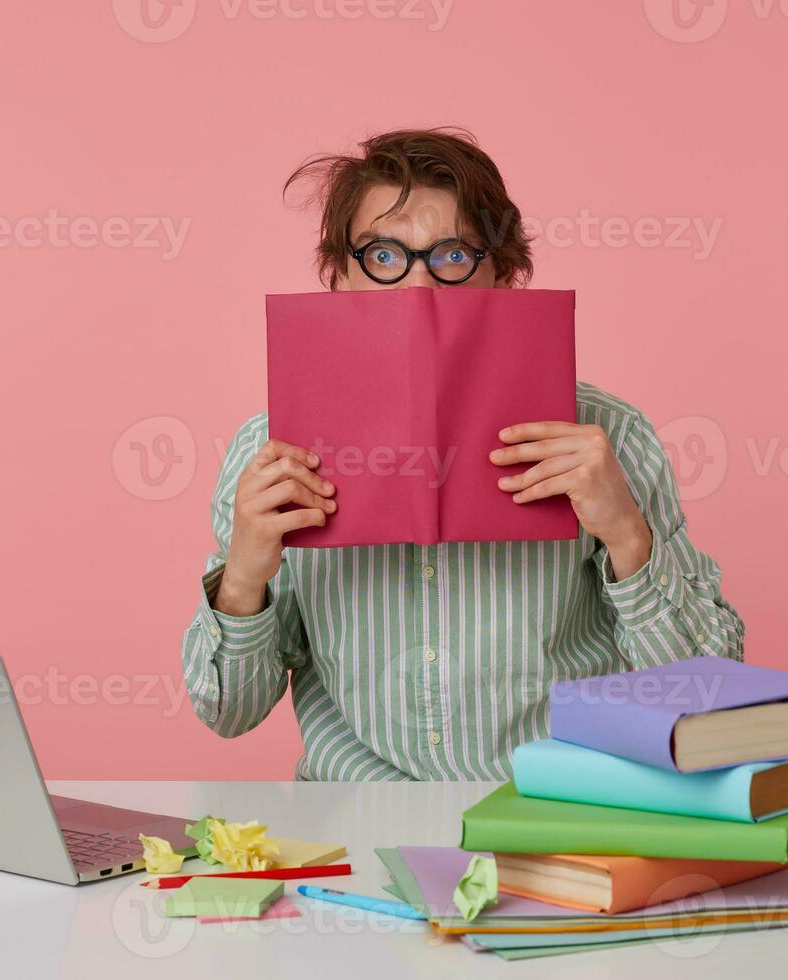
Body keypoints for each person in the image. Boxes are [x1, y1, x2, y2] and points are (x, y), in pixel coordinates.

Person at [182, 128, 743, 780]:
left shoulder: (604, 437)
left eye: (451, 255)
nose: (419, 286)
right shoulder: (270, 455)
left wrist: (627, 536)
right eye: (383, 255)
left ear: (503, 275)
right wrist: (244, 577)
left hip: (556, 816)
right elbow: (227, 715)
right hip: (360, 812)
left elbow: (710, 705)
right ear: (336, 276)